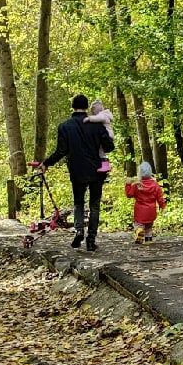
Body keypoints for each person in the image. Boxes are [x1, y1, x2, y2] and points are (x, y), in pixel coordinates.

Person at [38, 94, 114, 251]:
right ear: (86, 107)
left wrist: (46, 163)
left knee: (78, 202)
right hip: (97, 170)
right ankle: (91, 240)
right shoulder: (97, 124)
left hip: (77, 169)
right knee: (94, 204)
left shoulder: (65, 126)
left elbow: (61, 151)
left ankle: (79, 230)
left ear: (73, 106)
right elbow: (109, 147)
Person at [124, 162, 166, 244]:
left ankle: (139, 232)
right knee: (149, 226)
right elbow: (160, 197)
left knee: (139, 225)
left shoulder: (137, 185)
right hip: (151, 210)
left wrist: (128, 185)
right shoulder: (155, 185)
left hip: (140, 210)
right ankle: (148, 240)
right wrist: (162, 206)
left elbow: (129, 194)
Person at [86, 98, 115, 174]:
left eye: (93, 112)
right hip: (108, 135)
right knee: (101, 151)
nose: (93, 113)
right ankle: (105, 166)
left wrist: (89, 118)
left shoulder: (102, 115)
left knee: (101, 151)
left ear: (97, 110)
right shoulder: (106, 114)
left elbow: (98, 118)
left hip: (107, 135)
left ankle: (105, 167)